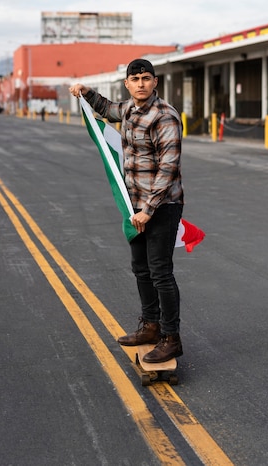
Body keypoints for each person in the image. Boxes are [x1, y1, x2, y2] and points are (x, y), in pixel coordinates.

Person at [69, 59, 184, 363]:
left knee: (161, 273)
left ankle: (171, 338)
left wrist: (148, 210)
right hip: (134, 204)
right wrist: (85, 92)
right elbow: (107, 108)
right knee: (141, 269)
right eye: (135, 79)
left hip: (161, 206)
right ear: (127, 84)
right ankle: (150, 326)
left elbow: (168, 168)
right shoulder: (129, 110)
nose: (141, 84)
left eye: (147, 78)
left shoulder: (165, 116)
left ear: (155, 82)